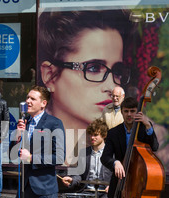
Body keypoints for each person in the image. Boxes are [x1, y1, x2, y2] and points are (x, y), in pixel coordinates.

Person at [38, 10, 134, 164]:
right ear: (49, 75)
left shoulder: (120, 137)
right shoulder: (36, 134)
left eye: (117, 71)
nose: (112, 86)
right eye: (94, 68)